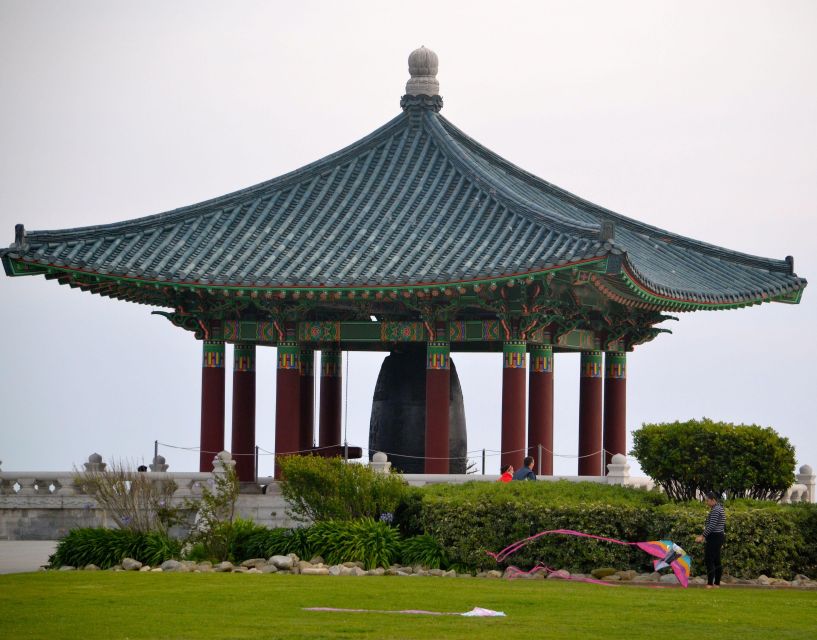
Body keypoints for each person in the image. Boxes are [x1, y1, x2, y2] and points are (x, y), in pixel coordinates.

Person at [695, 491, 726, 588]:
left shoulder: (716, 510)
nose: (706, 503)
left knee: (709, 559)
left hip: (715, 537)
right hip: (717, 536)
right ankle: (716, 583)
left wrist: (702, 536)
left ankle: (710, 584)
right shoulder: (719, 508)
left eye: (707, 501)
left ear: (713, 500)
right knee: (716, 560)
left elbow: (711, 526)